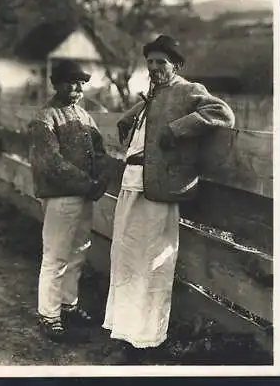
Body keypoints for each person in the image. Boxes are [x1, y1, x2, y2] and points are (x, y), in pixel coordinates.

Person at [102, 34, 235, 363]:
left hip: (161, 188)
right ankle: (123, 331)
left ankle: (147, 337)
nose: (154, 67)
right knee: (125, 259)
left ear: (176, 64)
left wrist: (178, 129)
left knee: (152, 262)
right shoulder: (153, 93)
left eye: (161, 62)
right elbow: (146, 110)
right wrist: (126, 119)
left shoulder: (188, 90)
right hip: (132, 183)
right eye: (150, 62)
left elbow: (222, 113)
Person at [28, 60, 110, 342]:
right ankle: (48, 316)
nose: (76, 89)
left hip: (84, 195)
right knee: (56, 256)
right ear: (56, 84)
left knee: (78, 253)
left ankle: (68, 305)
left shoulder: (85, 116)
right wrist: (88, 184)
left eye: (81, 84)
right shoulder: (45, 118)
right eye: (70, 82)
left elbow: (99, 151)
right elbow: (51, 163)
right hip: (61, 197)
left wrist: (101, 181)